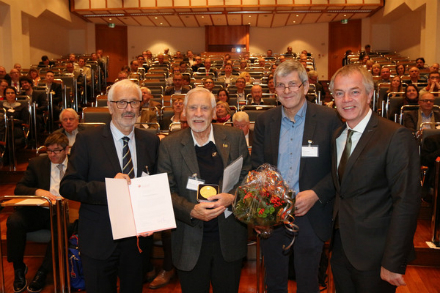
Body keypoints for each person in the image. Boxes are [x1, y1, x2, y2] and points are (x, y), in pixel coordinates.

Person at [60, 79, 160, 293]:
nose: (129, 109)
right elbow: (68, 186)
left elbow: (154, 185)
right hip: (99, 238)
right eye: (122, 102)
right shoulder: (88, 140)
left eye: (134, 102)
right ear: (110, 105)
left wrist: (153, 217)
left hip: (136, 242)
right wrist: (108, 188)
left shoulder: (151, 142)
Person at [251, 60, 341, 293]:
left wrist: (315, 194)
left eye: (293, 84)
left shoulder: (328, 118)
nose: (287, 90)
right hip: (273, 211)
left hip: (311, 213)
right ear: (275, 89)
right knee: (275, 281)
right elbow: (258, 167)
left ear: (305, 87)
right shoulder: (264, 121)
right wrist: (262, 211)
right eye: (281, 85)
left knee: (308, 281)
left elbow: (339, 168)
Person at [329, 64, 420, 293]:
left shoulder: (395, 136)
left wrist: (393, 262)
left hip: (376, 257)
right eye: (339, 93)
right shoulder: (338, 135)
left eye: (355, 91)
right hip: (341, 252)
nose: (346, 99)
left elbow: (407, 202)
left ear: (370, 94)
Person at [157, 87, 251, 293]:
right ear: (184, 112)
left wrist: (232, 197)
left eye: (204, 108)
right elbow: (164, 191)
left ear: (214, 111)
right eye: (193, 108)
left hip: (228, 238)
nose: (198, 114)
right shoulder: (169, 145)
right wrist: (190, 210)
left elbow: (248, 178)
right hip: (188, 240)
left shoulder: (234, 137)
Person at [8, 132, 68, 293]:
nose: (52, 155)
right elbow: (19, 188)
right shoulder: (37, 163)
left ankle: (42, 272)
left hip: (62, 212)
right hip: (38, 209)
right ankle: (19, 269)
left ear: (66, 149)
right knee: (14, 221)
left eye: (56, 150)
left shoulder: (76, 164)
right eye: (49, 151)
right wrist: (37, 191)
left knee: (61, 227)